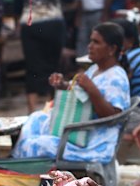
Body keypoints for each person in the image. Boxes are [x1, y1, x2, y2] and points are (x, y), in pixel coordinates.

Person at [12, 22, 130, 163]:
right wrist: (62, 85)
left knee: (39, 144)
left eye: (96, 42)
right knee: (35, 119)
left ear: (112, 49)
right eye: (91, 41)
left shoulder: (116, 77)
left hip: (93, 141)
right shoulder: (94, 70)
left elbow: (114, 117)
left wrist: (92, 90)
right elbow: (79, 94)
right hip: (81, 130)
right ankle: (17, 162)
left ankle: (21, 168)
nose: (90, 46)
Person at [15, 0, 70, 113]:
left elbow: (17, 6)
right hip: (53, 24)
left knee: (32, 67)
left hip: (30, 26)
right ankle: (50, 106)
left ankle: (32, 109)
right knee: (53, 65)